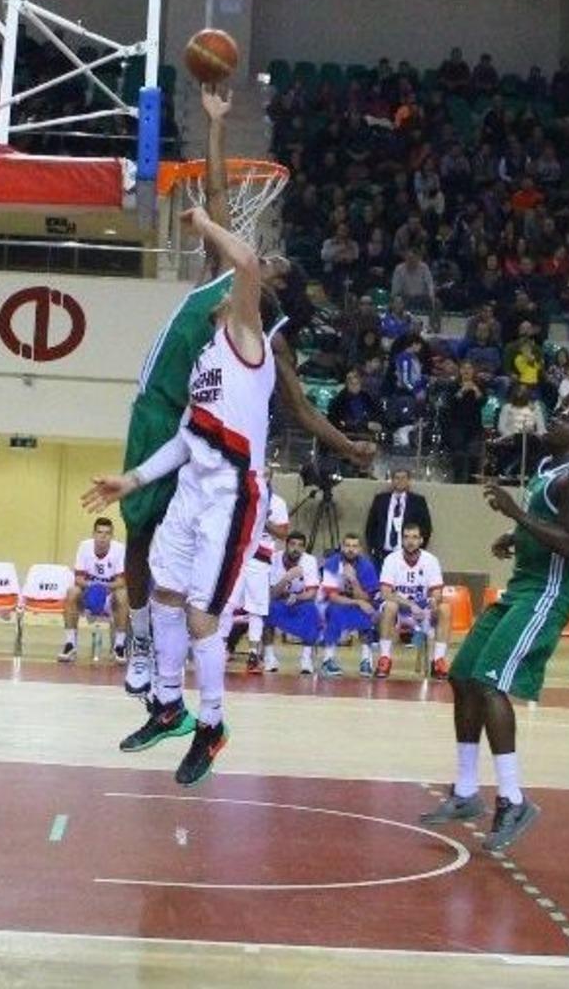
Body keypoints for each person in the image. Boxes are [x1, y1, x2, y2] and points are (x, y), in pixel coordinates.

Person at [113, 88, 374, 701]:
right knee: (136, 534)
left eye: (275, 261)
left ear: (279, 283)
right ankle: (145, 638)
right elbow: (218, 193)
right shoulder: (224, 272)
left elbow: (302, 409)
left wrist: (349, 447)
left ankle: (171, 659)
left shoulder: (266, 338)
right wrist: (214, 125)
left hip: (190, 429)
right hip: (155, 410)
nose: (266, 255)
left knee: (158, 542)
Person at [83, 204, 274, 785]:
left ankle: (212, 727)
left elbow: (244, 261)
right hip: (193, 485)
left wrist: (202, 223)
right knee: (165, 594)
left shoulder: (247, 340)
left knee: (199, 616)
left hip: (232, 494)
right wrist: (132, 479)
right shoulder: (203, 362)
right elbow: (186, 441)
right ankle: (169, 706)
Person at [420, 402, 569, 852]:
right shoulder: (546, 467)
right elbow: (547, 525)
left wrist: (515, 515)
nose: (555, 418)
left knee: (490, 682)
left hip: (546, 595)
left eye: (566, 418)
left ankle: (513, 799)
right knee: (462, 676)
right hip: (521, 588)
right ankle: (465, 791)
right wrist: (517, 537)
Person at [227, 473, 288, 673]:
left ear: (271, 478)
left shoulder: (277, 502)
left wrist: (263, 520)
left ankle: (253, 654)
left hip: (259, 560)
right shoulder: (240, 495)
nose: (263, 477)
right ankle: (220, 648)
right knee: (228, 604)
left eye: (267, 474)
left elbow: (283, 533)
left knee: (257, 609)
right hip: (236, 555)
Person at [375, 523, 450, 679]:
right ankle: (385, 658)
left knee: (445, 608)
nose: (410, 541)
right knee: (389, 605)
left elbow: (436, 592)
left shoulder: (431, 560)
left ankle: (438, 660)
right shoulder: (391, 559)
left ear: (421, 540)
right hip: (400, 611)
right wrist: (411, 605)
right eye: (407, 537)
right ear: (402, 540)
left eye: (415, 537)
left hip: (423, 610)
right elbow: (385, 592)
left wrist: (432, 602)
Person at [59, 516, 127, 664]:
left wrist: (102, 589)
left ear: (112, 536)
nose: (103, 537)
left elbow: (121, 581)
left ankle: (119, 645)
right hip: (88, 594)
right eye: (99, 532)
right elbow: (78, 578)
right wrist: (93, 589)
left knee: (123, 595)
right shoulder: (84, 546)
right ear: (93, 534)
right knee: (72, 592)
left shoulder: (119, 549)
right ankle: (70, 644)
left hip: (109, 597)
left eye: (107, 533)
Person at [320, 532, 380, 676]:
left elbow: (367, 597)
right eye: (347, 545)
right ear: (341, 547)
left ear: (359, 549)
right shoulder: (331, 563)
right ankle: (328, 660)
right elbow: (332, 596)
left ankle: (366, 660)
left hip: (356, 603)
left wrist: (353, 580)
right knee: (333, 612)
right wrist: (358, 601)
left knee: (369, 612)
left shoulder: (366, 566)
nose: (350, 549)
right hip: (333, 603)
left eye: (354, 546)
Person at [264, 531, 322, 675]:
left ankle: (306, 658)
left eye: (300, 546)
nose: (296, 548)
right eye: (293, 544)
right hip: (278, 600)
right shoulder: (274, 558)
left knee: (312, 611)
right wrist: (287, 578)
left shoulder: (309, 560)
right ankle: (269, 656)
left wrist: (296, 597)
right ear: (286, 545)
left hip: (301, 600)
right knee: (265, 609)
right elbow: (271, 594)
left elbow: (312, 593)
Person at [364, 467, 432, 564]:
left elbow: (426, 528)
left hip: (407, 554)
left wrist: (417, 550)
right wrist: (372, 549)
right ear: (392, 481)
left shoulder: (418, 501)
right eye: (397, 478)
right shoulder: (380, 500)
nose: (400, 481)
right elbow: (371, 526)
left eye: (403, 478)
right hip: (382, 555)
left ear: (409, 481)